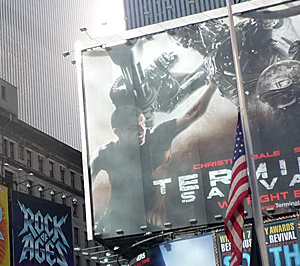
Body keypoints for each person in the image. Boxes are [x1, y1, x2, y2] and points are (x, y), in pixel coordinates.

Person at [91, 84, 216, 235]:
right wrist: (94, 219)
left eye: (142, 124)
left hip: (160, 219)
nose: (141, 131)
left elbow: (191, 114)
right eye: (133, 128)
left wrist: (212, 86)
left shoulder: (157, 135)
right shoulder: (104, 153)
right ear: (118, 132)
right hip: (120, 223)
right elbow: (87, 186)